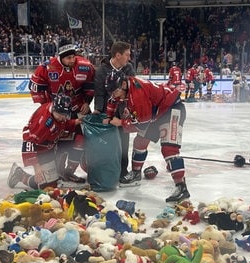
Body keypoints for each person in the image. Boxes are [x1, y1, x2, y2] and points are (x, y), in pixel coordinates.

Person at [104, 71, 190, 203]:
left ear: (123, 84)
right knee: (140, 142)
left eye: (114, 91)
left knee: (169, 149)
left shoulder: (137, 96)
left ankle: (181, 187)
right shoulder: (124, 86)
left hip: (172, 109)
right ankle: (136, 174)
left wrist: (121, 122)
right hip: (156, 112)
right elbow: (112, 100)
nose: (113, 94)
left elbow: (140, 126)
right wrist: (109, 116)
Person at [28, 38, 95, 183]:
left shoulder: (84, 66)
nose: (73, 60)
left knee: (81, 140)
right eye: (69, 57)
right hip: (57, 110)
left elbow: (90, 87)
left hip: (77, 108)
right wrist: (47, 108)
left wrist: (87, 102)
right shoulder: (46, 67)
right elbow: (35, 88)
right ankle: (58, 169)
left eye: (74, 56)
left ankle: (70, 170)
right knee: (60, 142)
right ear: (61, 57)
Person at [7, 96, 82, 190]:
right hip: (40, 151)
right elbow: (28, 141)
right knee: (45, 186)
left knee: (53, 183)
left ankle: (50, 176)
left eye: (65, 114)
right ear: (54, 109)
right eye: (61, 114)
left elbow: (62, 123)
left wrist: (75, 122)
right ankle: (20, 175)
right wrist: (36, 166)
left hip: (49, 147)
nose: (63, 117)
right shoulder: (43, 123)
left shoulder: (57, 113)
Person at [93, 41, 135, 180]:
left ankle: (123, 171)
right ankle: (108, 171)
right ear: (118, 55)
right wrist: (99, 111)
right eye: (127, 55)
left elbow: (133, 91)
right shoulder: (101, 71)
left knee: (123, 144)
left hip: (123, 113)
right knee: (108, 145)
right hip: (107, 113)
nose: (129, 58)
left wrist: (129, 113)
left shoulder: (128, 68)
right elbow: (99, 93)